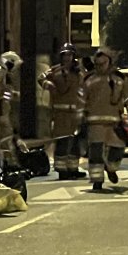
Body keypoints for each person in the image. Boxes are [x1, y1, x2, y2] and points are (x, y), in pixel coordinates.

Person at [82, 49, 126, 191]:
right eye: (98, 64)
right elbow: (80, 99)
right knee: (95, 152)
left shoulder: (118, 79)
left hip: (114, 123)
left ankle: (111, 168)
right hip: (94, 122)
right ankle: (97, 180)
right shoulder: (89, 80)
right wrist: (78, 117)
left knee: (117, 149)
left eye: (103, 63)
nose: (100, 66)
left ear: (110, 63)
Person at [41, 44, 86, 180]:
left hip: (75, 113)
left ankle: (73, 168)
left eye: (70, 55)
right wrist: (47, 84)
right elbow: (41, 78)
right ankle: (62, 170)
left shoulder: (78, 73)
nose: (67, 58)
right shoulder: (55, 71)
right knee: (63, 142)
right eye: (65, 55)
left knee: (75, 143)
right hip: (61, 114)